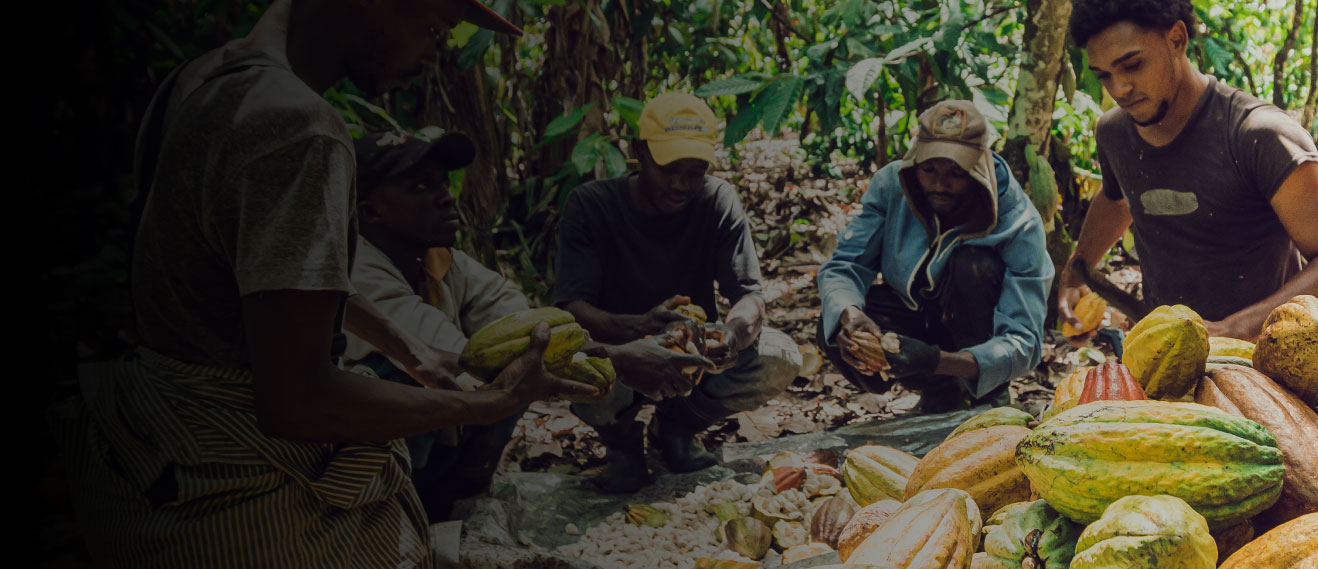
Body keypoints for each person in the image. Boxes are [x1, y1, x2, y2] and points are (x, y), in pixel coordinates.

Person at [56, 0, 596, 566]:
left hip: (153, 442)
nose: (434, 55)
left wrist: (408, 348)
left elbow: (255, 269)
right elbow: (296, 400)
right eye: (432, 27)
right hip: (238, 483)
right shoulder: (299, 127)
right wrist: (488, 404)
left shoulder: (202, 79)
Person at [1057, 0, 1318, 342]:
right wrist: (1076, 271)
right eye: (1104, 75)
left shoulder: (1257, 135)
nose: (1118, 89)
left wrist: (1233, 330)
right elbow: (1117, 198)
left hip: (1266, 362)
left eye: (1132, 65)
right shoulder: (1114, 134)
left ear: (1177, 39)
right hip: (1163, 355)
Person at [555, 92, 802, 492]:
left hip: (694, 355)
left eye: (695, 172)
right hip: (620, 355)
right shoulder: (591, 205)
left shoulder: (717, 200)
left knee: (780, 356)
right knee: (576, 364)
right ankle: (621, 443)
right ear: (639, 152)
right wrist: (637, 328)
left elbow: (750, 295)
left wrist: (732, 335)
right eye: (669, 169)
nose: (681, 185)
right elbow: (572, 307)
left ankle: (676, 430)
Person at [342, 128, 544, 522]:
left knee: (511, 366)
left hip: (441, 446)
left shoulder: (438, 258)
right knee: (423, 378)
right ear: (370, 212)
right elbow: (452, 360)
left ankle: (452, 506)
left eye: (442, 183)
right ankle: (397, 514)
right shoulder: (357, 273)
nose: (445, 197)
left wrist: (605, 351)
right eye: (421, 187)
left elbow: (526, 322)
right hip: (351, 461)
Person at [817, 100, 1054, 414]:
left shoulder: (1019, 221)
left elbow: (1024, 343)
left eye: (956, 173)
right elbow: (845, 266)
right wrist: (852, 318)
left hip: (975, 339)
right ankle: (940, 393)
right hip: (915, 315)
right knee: (833, 319)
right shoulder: (892, 185)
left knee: (974, 265)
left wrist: (934, 360)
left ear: (980, 170)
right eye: (929, 169)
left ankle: (986, 396)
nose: (940, 184)